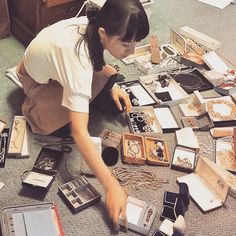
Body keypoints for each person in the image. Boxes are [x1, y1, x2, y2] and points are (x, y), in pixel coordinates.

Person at [16, 0, 149, 230]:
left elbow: (97, 56)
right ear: (103, 33)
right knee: (52, 124)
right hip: (32, 78)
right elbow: (79, 133)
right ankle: (33, 105)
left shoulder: (95, 25)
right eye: (126, 44)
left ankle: (101, 87)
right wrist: (112, 186)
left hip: (57, 64)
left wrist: (111, 86)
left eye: (136, 42)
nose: (132, 51)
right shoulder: (78, 61)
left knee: (106, 77)